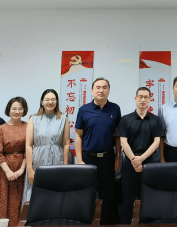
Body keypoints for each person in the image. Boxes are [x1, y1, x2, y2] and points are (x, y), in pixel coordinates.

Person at [75, 77, 121, 225]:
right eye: (98, 87)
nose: (101, 90)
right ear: (92, 90)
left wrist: (118, 157)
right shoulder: (83, 110)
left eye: (104, 87)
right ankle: (86, 222)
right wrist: (79, 160)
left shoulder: (115, 109)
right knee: (87, 192)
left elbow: (118, 136)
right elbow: (78, 135)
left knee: (107, 194)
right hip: (88, 159)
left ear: (109, 90)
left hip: (107, 158)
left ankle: (104, 222)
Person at [117, 87, 164, 224]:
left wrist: (141, 159)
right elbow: (123, 142)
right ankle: (125, 223)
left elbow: (157, 142)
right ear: (135, 98)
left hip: (149, 163)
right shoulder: (125, 119)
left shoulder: (156, 120)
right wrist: (134, 160)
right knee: (127, 197)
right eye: (140, 97)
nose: (143, 100)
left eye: (146, 97)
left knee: (149, 196)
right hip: (129, 163)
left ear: (150, 99)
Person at [22, 89, 70, 203]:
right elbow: (28, 145)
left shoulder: (63, 118)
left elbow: (66, 144)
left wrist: (66, 166)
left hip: (57, 159)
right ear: (42, 102)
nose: (50, 102)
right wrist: (30, 169)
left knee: (56, 191)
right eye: (47, 99)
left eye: (53, 99)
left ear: (57, 101)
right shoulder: (34, 118)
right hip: (38, 160)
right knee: (35, 193)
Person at [0, 97, 28, 227]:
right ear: (9, 110)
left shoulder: (28, 127)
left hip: (23, 169)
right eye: (14, 108)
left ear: (24, 110)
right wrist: (8, 171)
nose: (17, 111)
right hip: (3, 171)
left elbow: (29, 149)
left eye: (20, 109)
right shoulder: (0, 129)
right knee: (3, 200)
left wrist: (22, 169)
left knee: (19, 199)